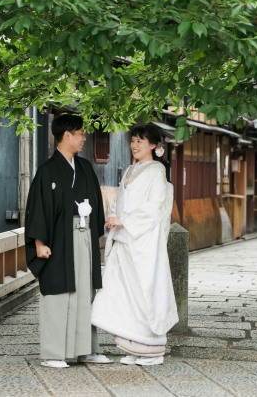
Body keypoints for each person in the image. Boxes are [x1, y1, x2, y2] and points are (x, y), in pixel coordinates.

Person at [24, 113, 112, 368]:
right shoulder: (48, 171)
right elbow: (38, 208)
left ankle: (86, 349)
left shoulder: (84, 168)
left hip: (83, 236)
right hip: (59, 239)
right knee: (59, 293)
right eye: (81, 133)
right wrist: (39, 242)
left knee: (85, 292)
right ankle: (54, 353)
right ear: (67, 135)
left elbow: (96, 202)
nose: (84, 138)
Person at [91, 123, 178, 366]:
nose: (134, 145)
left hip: (144, 244)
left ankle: (152, 350)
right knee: (124, 294)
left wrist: (125, 220)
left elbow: (154, 208)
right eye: (133, 140)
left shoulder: (156, 171)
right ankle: (134, 346)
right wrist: (115, 217)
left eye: (140, 141)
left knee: (144, 293)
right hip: (125, 240)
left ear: (153, 145)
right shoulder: (130, 170)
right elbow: (122, 202)